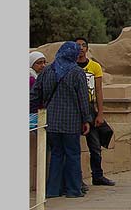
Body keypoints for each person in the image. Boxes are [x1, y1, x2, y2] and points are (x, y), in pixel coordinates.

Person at [29, 42, 92, 197]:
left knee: (56, 154)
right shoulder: (77, 72)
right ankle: (73, 189)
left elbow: (35, 95)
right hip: (71, 120)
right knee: (72, 154)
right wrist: (86, 119)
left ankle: (53, 190)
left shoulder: (47, 70)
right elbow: (83, 99)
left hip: (50, 120)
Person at [75, 37, 116, 187]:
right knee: (74, 147)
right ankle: (77, 179)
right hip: (74, 108)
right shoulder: (71, 66)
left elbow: (99, 91)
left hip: (90, 107)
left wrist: (100, 113)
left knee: (95, 146)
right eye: (77, 45)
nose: (80, 48)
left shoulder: (94, 67)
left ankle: (97, 176)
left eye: (83, 45)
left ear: (87, 48)